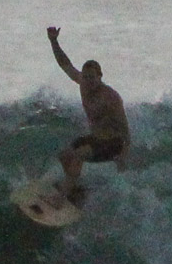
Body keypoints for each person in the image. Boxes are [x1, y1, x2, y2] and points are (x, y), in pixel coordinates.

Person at [47, 26, 130, 205]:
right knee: (64, 155)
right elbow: (65, 64)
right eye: (86, 77)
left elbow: (125, 129)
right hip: (95, 140)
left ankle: (61, 197)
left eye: (92, 78)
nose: (89, 81)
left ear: (100, 76)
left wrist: (123, 155)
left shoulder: (111, 97)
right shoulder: (82, 84)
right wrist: (53, 41)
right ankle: (74, 187)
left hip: (112, 144)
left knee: (78, 156)